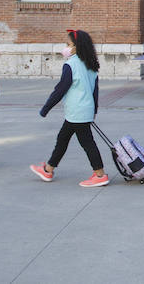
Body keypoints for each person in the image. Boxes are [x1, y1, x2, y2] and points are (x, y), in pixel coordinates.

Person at [30, 29, 109, 188]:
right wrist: (93, 111)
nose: (65, 47)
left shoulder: (71, 65)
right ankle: (48, 169)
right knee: (63, 139)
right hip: (84, 110)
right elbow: (95, 91)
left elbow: (60, 89)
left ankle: (100, 174)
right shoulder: (90, 64)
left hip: (76, 112)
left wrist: (46, 108)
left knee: (85, 143)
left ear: (76, 46)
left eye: (68, 44)